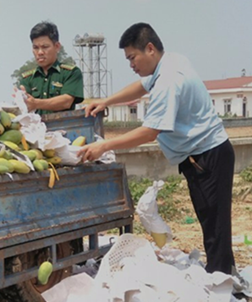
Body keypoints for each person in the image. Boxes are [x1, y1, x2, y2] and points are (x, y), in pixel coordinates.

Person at [78, 23, 236, 275]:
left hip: (207, 155)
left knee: (215, 226)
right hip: (206, 153)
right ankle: (223, 274)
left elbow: (151, 131)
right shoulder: (170, 62)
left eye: (132, 57)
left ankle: (222, 286)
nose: (131, 65)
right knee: (213, 222)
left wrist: (104, 145)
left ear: (149, 48)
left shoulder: (169, 81)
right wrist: (106, 100)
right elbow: (142, 85)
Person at [19, 21, 84, 115]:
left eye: (45, 47)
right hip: (35, 128)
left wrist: (36, 104)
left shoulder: (71, 73)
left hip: (64, 127)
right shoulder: (27, 78)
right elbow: (25, 107)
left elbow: (66, 101)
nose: (40, 52)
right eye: (36, 48)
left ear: (57, 47)